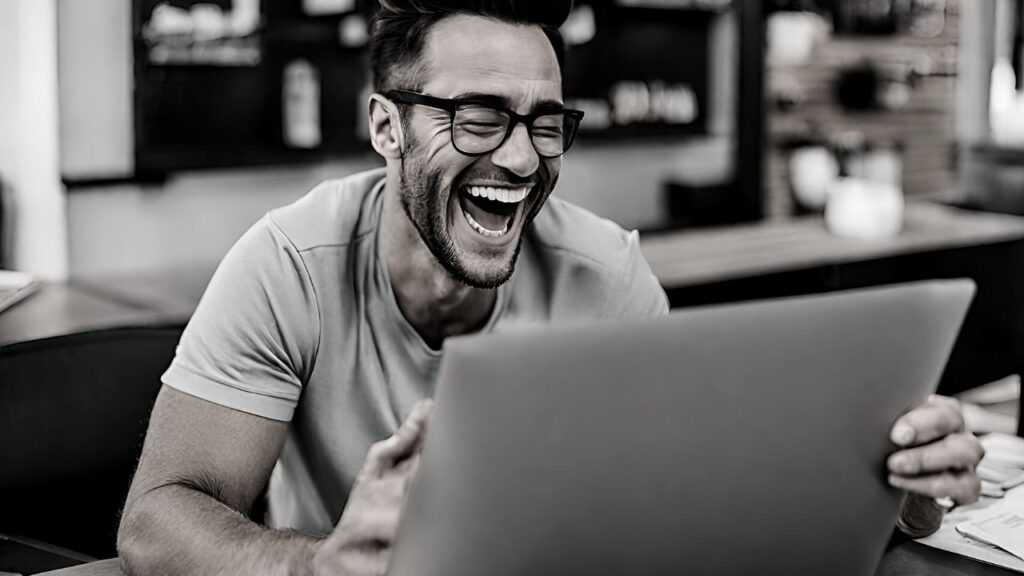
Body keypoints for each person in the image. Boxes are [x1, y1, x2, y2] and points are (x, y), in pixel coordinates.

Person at [116, 1, 984, 574]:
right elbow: (156, 518)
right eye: (479, 116)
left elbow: (699, 495)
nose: (523, 158)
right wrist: (319, 567)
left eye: (545, 122)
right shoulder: (288, 265)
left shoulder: (605, 273)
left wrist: (895, 489)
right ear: (386, 125)